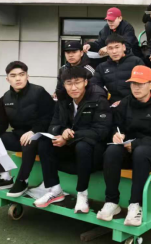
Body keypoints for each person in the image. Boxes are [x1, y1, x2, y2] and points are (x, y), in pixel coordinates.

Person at [97, 65, 151, 226]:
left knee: (141, 152)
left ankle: (136, 204)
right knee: (111, 151)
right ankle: (111, 202)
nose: (136, 87)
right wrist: (116, 134)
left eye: (141, 84)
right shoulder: (125, 102)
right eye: (133, 83)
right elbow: (115, 124)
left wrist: (136, 144)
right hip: (128, 149)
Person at [34, 67, 112, 210]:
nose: (73, 87)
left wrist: (70, 137)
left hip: (94, 151)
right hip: (72, 148)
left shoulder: (98, 99)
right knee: (44, 143)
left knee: (83, 146)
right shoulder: (63, 100)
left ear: (85, 82)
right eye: (69, 83)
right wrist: (62, 131)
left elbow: (102, 131)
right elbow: (53, 125)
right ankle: (55, 190)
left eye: (77, 82)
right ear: (64, 85)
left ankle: (82, 194)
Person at [0, 61, 55, 197]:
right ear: (7, 79)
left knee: (29, 140)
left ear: (27, 76)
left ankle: (22, 180)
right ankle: (4, 177)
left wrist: (33, 131)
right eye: (13, 75)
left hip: (40, 135)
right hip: (18, 135)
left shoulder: (39, 92)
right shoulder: (5, 99)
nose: (18, 78)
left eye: (21, 74)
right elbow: (0, 122)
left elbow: (49, 117)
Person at [91, 33, 144, 105]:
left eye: (117, 47)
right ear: (107, 50)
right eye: (110, 48)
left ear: (124, 47)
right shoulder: (102, 67)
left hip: (135, 103)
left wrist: (125, 102)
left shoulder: (136, 62)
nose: (114, 51)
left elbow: (144, 87)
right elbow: (95, 87)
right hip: (113, 105)